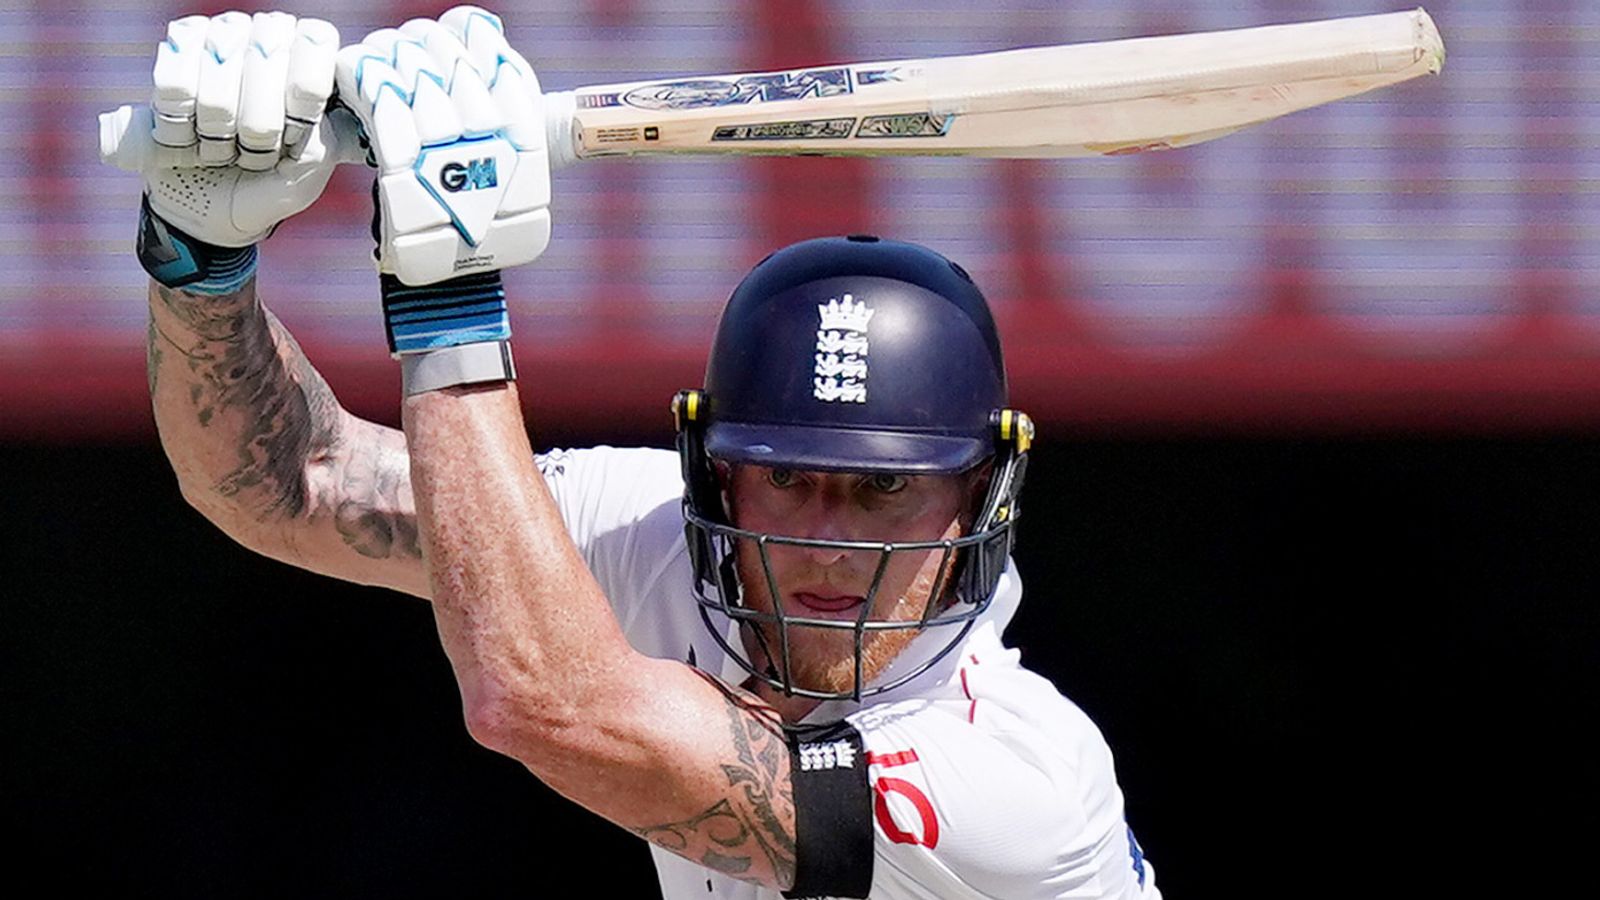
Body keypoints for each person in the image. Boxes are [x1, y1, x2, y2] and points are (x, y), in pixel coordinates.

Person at [113, 8, 1158, 898]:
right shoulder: (656, 532)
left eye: (884, 488)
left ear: (981, 497)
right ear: (714, 474)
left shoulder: (1020, 786)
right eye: (786, 478)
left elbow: (547, 706)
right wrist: (201, 261)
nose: (828, 542)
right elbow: (292, 486)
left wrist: (450, 289)